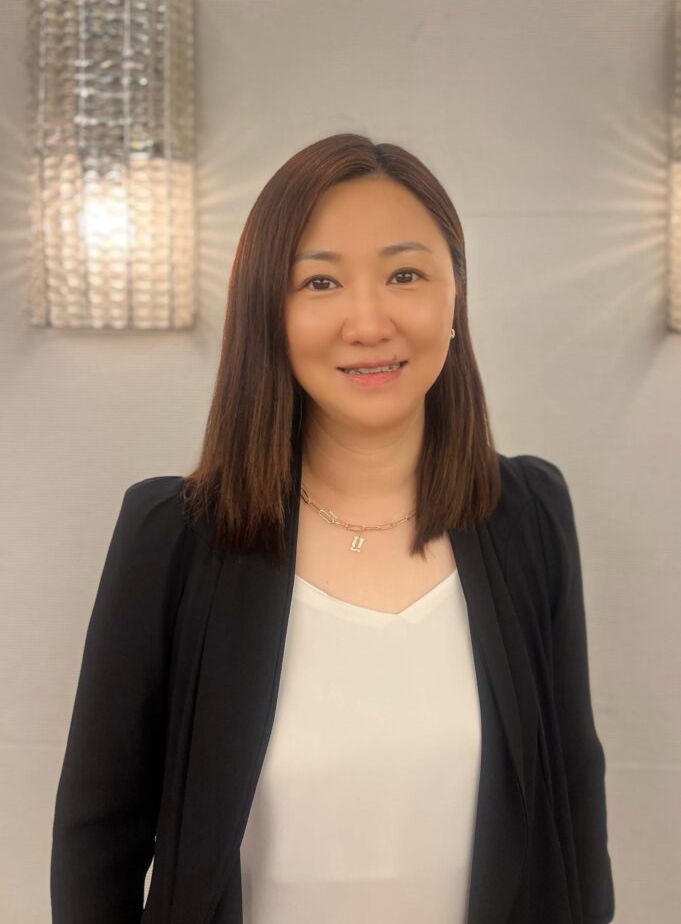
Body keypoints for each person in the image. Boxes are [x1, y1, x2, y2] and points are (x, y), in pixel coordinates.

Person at [50, 133, 615, 924]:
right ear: (268, 314)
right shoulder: (173, 538)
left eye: (404, 274)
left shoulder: (528, 514)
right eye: (319, 281)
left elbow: (572, 797)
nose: (368, 321)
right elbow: (98, 838)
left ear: (455, 299)